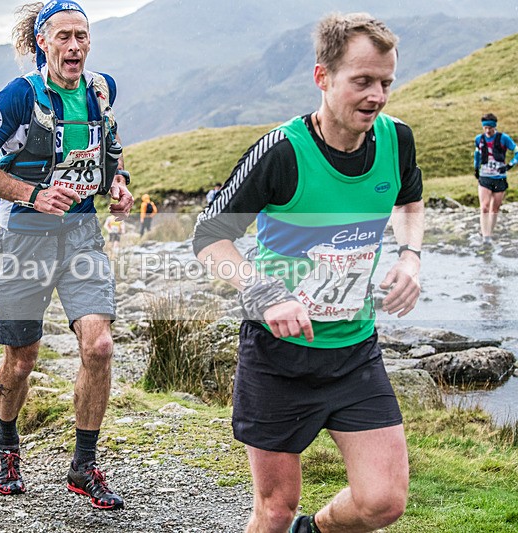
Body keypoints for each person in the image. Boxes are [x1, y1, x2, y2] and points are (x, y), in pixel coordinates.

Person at [193, 13, 424, 533]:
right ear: (323, 78)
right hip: (278, 356)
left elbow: (411, 200)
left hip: (354, 352)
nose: (377, 96)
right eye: (362, 81)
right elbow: (208, 236)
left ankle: (313, 531)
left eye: (386, 82)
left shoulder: (396, 140)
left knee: (382, 502)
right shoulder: (282, 152)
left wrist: (410, 256)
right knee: (274, 510)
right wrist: (266, 291)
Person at [0, 0, 133, 510]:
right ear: (42, 43)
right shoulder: (18, 97)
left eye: (81, 35)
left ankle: (83, 466)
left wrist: (118, 184)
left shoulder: (102, 90)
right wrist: (31, 195)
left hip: (81, 234)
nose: (74, 46)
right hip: (24, 239)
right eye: (63, 37)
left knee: (99, 346)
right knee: (21, 359)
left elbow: (107, 151)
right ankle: (7, 443)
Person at [473, 113, 516, 247]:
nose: (487, 131)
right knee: (484, 206)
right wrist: (476, 168)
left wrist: (509, 165)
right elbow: (477, 154)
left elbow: (517, 151)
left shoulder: (504, 138)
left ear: (494, 127)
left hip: (500, 178)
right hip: (485, 177)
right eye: (485, 128)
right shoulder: (479, 139)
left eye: (490, 128)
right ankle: (485, 237)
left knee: (494, 208)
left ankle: (489, 233)